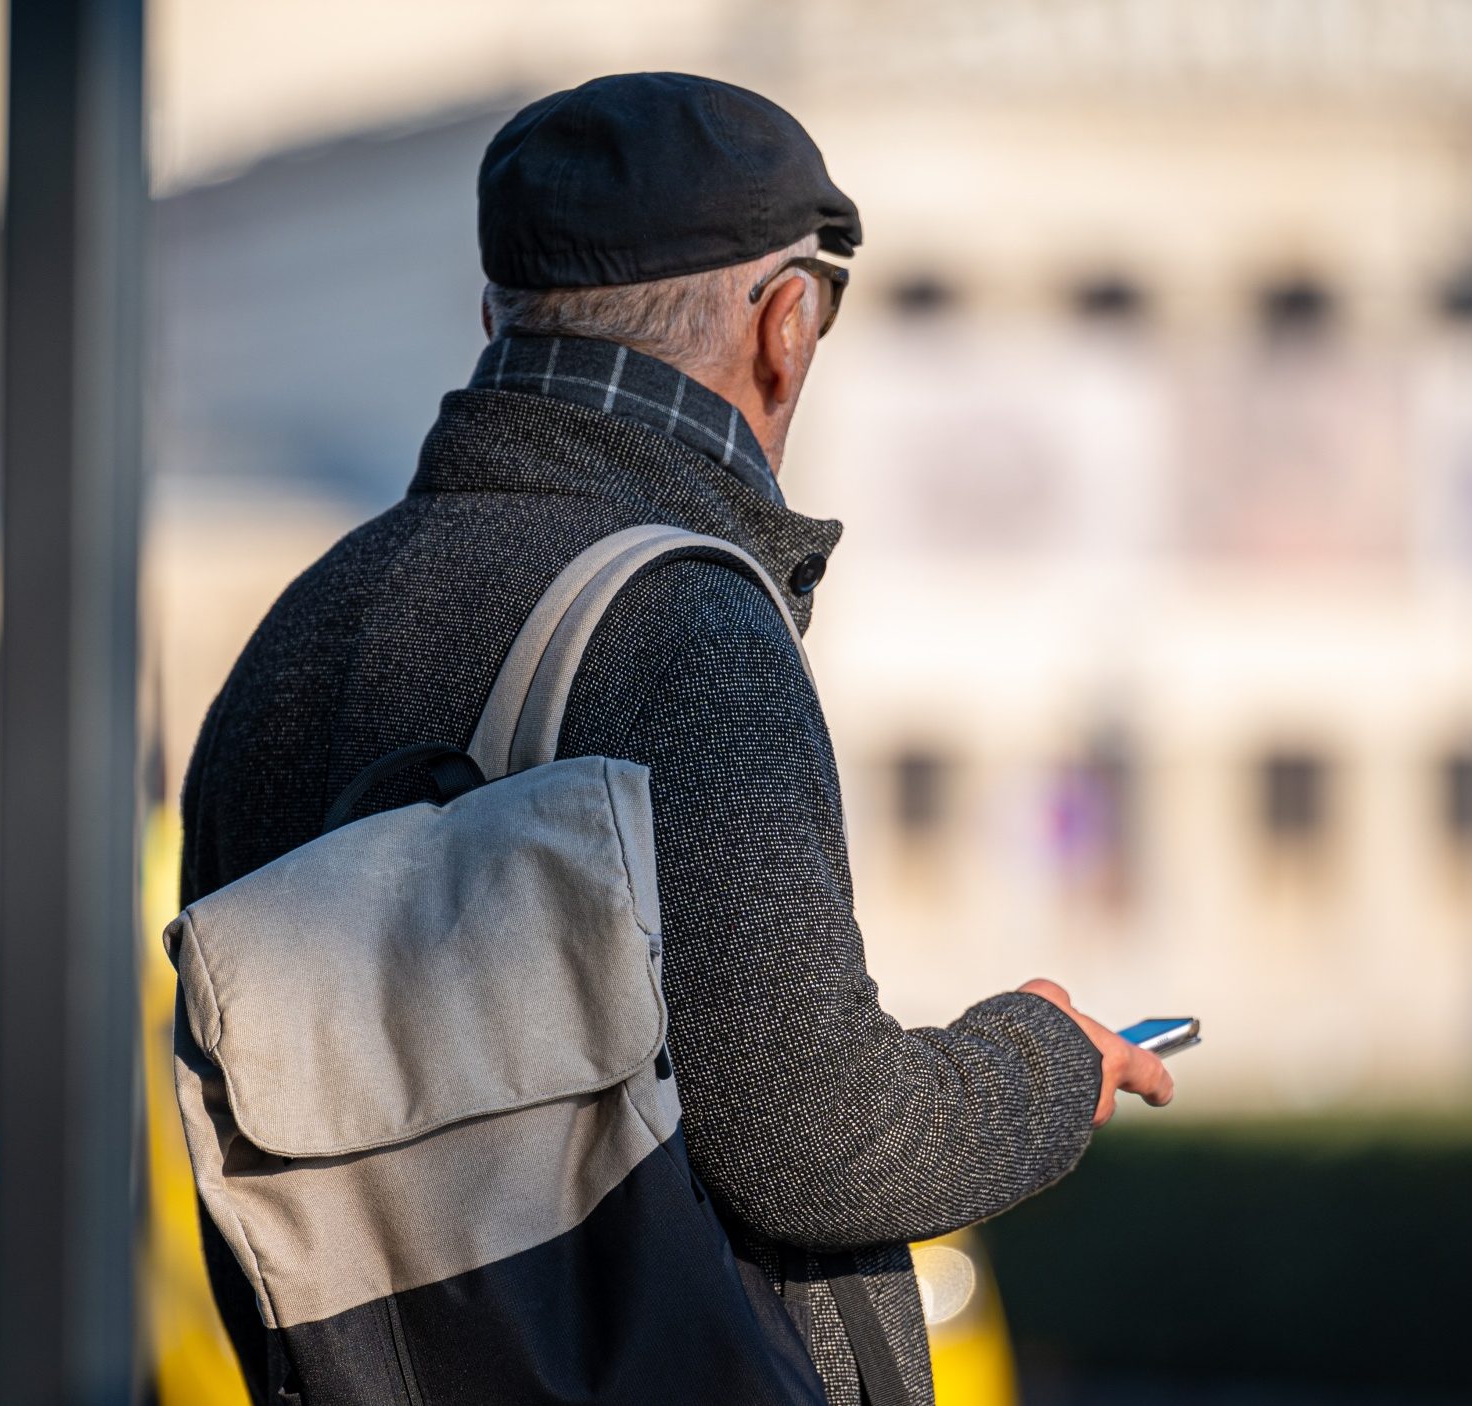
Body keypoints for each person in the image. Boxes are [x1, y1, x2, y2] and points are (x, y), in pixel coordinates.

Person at [177, 71, 1175, 1406]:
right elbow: (818, 1139)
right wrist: (1040, 1062)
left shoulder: (297, 640)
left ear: (495, 317)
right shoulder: (685, 627)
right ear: (783, 325)